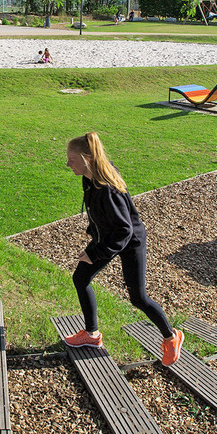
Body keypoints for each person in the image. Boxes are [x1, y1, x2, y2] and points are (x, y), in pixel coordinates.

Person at [62, 132, 184, 366]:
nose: (68, 164)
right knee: (80, 277)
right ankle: (92, 335)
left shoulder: (106, 189)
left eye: (72, 160)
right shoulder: (89, 176)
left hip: (130, 242)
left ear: (87, 159)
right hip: (108, 236)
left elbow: (123, 231)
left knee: (138, 298)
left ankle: (171, 337)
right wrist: (95, 237)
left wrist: (95, 252)